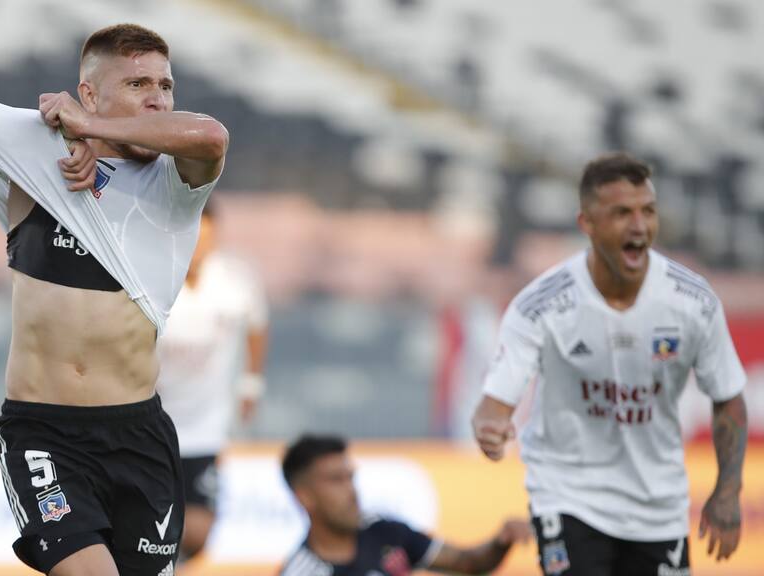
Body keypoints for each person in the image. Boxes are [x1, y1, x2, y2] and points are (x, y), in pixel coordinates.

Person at [0, 23, 228, 576]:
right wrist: (68, 127)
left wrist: (89, 124)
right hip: (45, 434)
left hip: (139, 434)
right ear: (90, 90)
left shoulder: (177, 180)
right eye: (138, 84)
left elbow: (214, 136)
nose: (158, 99)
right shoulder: (33, 147)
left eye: (166, 86)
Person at [472, 152, 748, 576]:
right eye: (622, 213)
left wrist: (727, 493)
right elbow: (494, 403)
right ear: (587, 224)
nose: (639, 226)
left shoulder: (692, 301)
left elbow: (728, 397)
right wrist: (490, 428)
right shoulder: (541, 305)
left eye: (648, 211)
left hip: (658, 505)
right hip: (568, 495)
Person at [156, 199, 268, 565]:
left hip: (206, 425)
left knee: (199, 532)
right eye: (193, 238)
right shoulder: (154, 277)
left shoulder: (234, 280)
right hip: (154, 423)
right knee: (151, 521)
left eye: (207, 239)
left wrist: (251, 382)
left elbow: (257, 323)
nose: (199, 248)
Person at [279, 434, 532, 575]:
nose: (351, 491)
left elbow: (469, 562)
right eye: (336, 480)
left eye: (350, 478)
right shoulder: (301, 572)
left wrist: (500, 542)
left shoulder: (385, 532)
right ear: (305, 496)